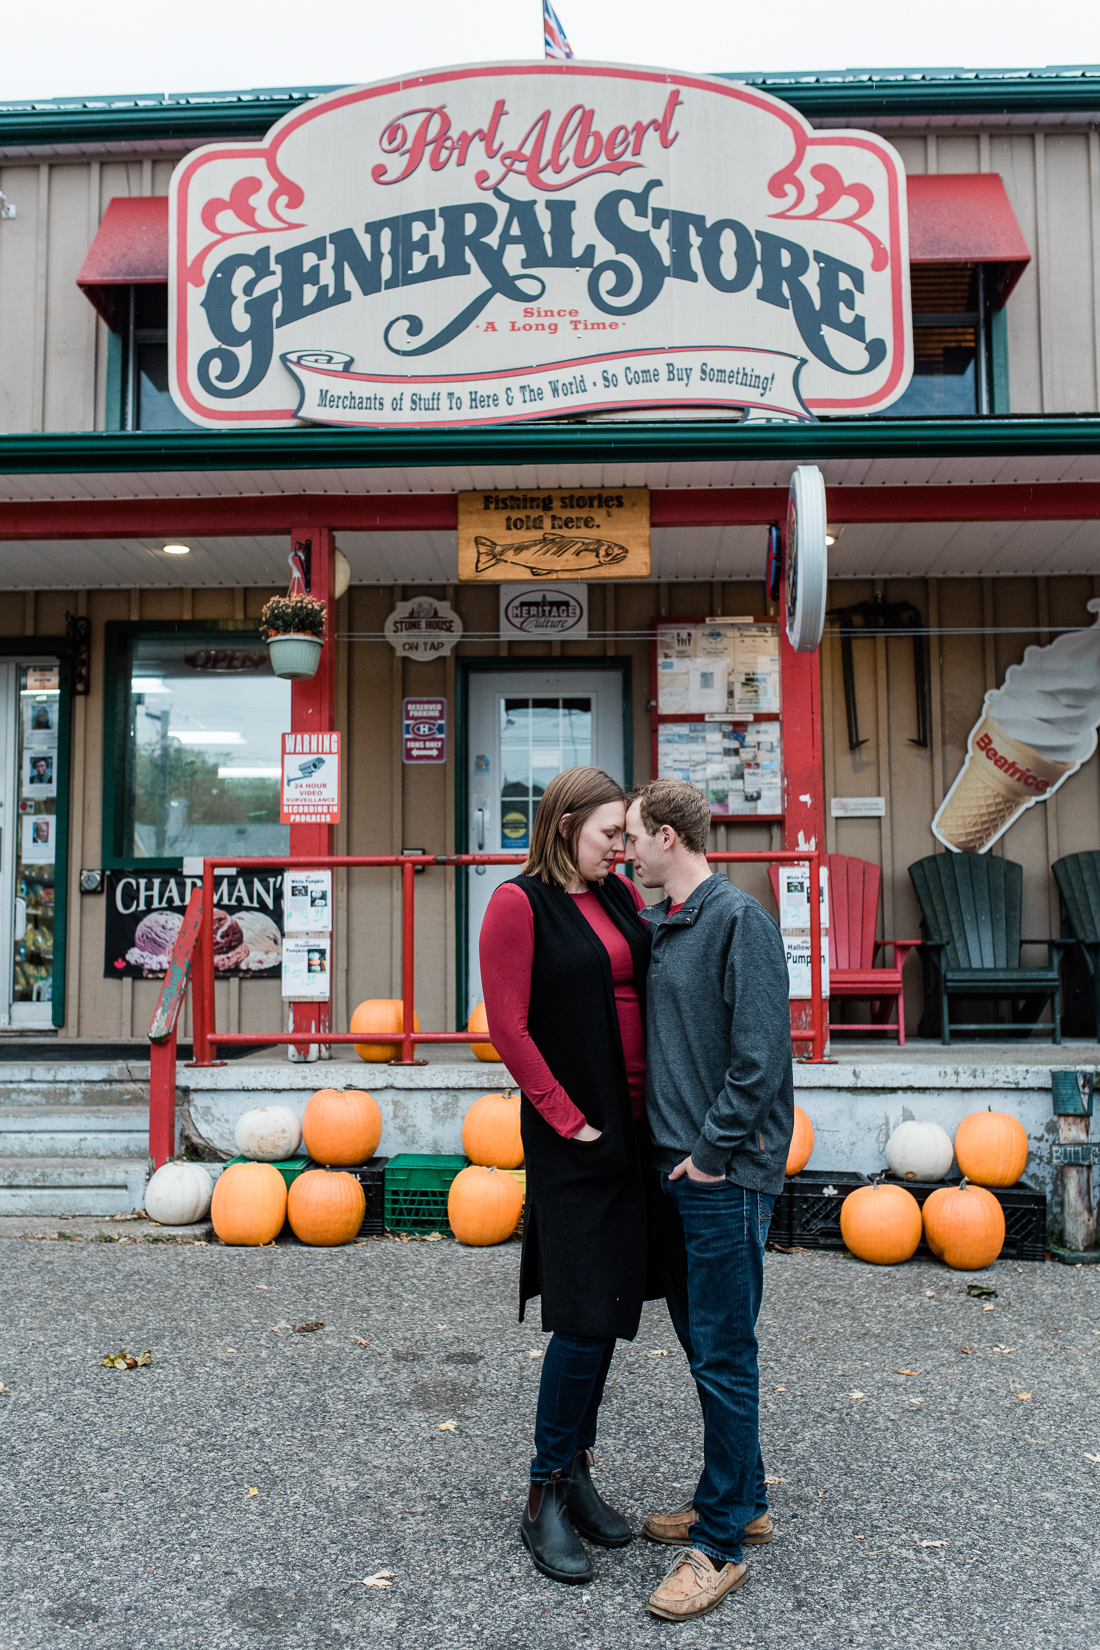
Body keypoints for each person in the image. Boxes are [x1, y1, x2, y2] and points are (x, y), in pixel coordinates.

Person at [623, 778, 794, 1623]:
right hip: (679, 1171)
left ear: (665, 836)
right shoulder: (665, 926)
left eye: (631, 839)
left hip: (722, 1175)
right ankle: (742, 1497)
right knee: (705, 1348)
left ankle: (721, 1544)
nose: (624, 852)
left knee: (725, 1353)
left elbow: (761, 1058)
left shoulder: (737, 920)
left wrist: (708, 1157)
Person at [479, 766, 653, 1586]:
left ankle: (579, 1469)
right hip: (574, 1134)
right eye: (609, 834)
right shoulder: (519, 905)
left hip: (635, 1127)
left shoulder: (616, 897)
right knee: (581, 1314)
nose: (622, 848)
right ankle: (543, 1491)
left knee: (613, 1305)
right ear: (562, 826)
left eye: (626, 836)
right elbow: (508, 1028)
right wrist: (567, 1118)